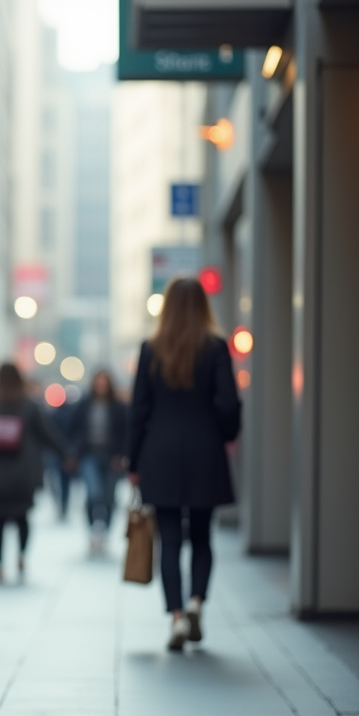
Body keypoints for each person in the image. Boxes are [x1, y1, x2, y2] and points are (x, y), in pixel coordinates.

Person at [129, 277, 240, 652]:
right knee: (203, 536)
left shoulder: (151, 348)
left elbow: (139, 411)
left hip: (159, 453)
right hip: (205, 451)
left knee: (170, 538)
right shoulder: (216, 347)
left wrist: (133, 460)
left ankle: (176, 617)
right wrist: (224, 431)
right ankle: (196, 603)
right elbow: (229, 403)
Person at [0, 363, 68, 583]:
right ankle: (21, 556)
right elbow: (47, 433)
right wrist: (66, 453)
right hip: (23, 473)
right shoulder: (28, 404)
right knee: (22, 518)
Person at [69, 369, 129, 555]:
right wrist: (75, 452)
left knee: (109, 497)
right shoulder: (85, 404)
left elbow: (126, 432)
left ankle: (105, 533)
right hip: (90, 455)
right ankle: (92, 531)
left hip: (112, 457)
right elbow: (73, 429)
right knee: (93, 494)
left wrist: (122, 455)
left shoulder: (118, 407)